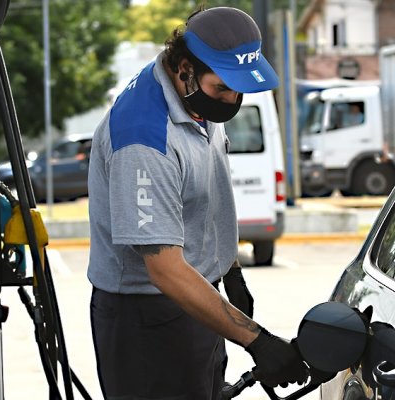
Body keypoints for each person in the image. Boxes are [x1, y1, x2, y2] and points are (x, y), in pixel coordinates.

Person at [87, 6, 308, 400]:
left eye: (238, 88)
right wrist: (257, 340)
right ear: (184, 69)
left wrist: (230, 269)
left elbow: (207, 200)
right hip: (147, 320)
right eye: (222, 88)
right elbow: (166, 271)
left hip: (198, 299)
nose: (231, 99)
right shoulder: (144, 138)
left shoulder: (198, 101)